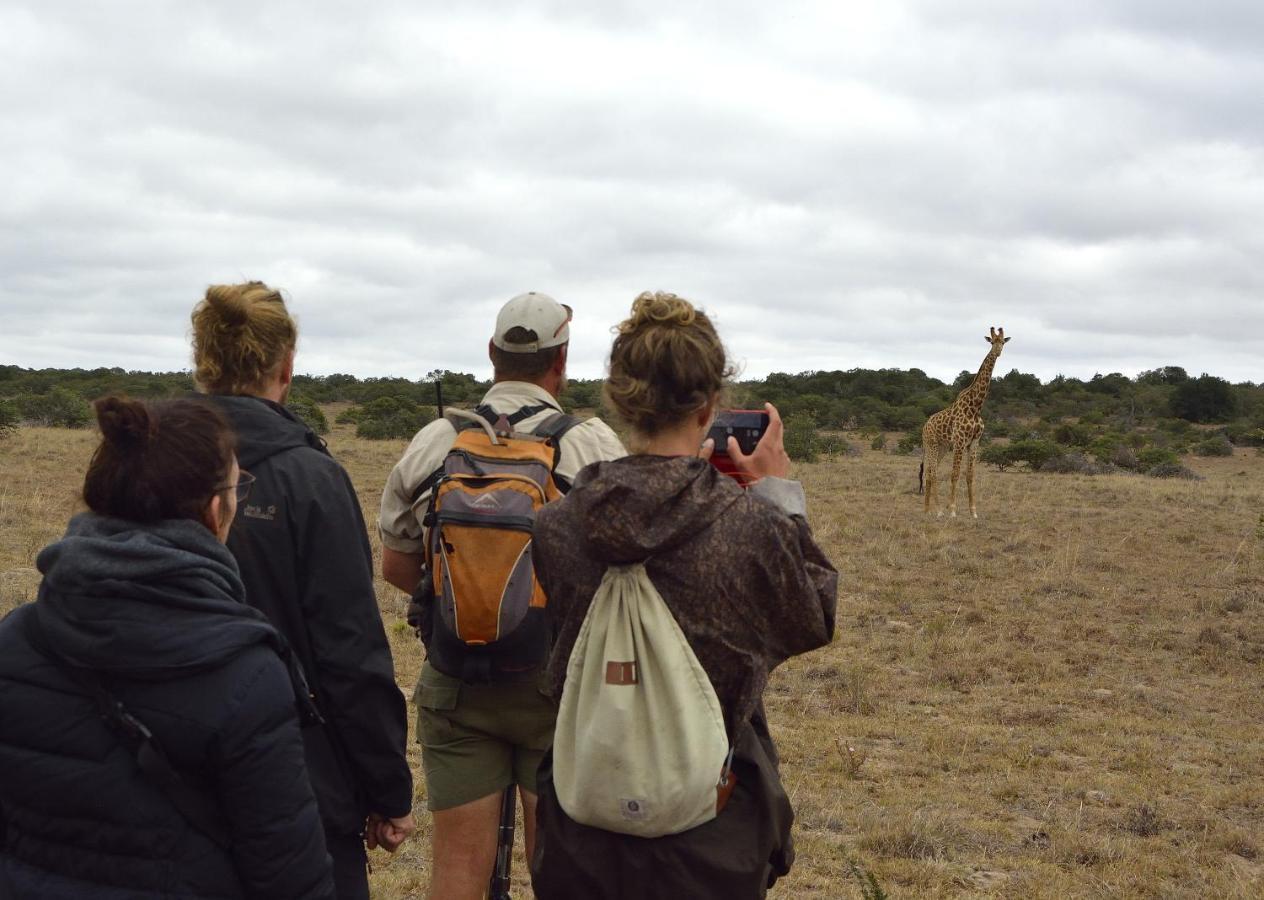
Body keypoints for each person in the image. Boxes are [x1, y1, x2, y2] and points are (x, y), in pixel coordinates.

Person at [528, 291, 838, 899]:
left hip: (580, 826)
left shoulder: (555, 525)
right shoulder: (749, 526)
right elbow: (814, 616)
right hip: (709, 833)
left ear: (619, 398)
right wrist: (779, 494)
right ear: (710, 404)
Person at [0, 396, 335, 899]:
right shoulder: (246, 675)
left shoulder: (17, 638)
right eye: (236, 486)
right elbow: (290, 874)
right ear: (214, 508)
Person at [379, 291, 625, 899]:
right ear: (561, 362)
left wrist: (464, 606)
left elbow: (394, 564)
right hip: (557, 687)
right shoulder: (590, 445)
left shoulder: (438, 439)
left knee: (458, 871)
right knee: (558, 873)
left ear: (492, 353)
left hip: (457, 679)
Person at [190, 281, 414, 898]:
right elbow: (348, 650)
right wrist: (385, 787)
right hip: (294, 785)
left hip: (157, 778)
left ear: (203, 365)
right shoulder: (311, 477)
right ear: (286, 368)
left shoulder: (147, 463)